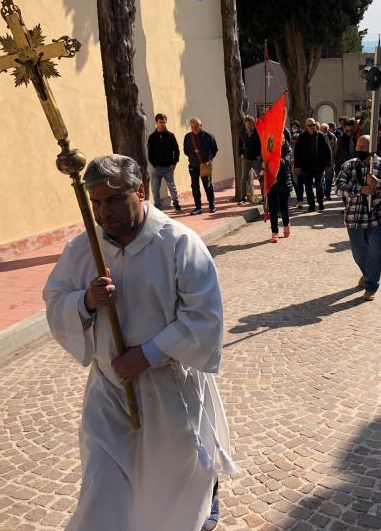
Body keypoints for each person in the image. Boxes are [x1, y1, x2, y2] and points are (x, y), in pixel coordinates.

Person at [44, 154, 234, 531]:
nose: (104, 212)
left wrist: (146, 355)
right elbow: (55, 300)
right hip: (109, 392)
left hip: (168, 391)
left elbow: (203, 318)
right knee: (103, 482)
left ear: (141, 191)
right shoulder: (84, 249)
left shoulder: (178, 243)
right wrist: (85, 301)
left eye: (113, 200)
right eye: (96, 203)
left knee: (170, 487)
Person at [336, 136, 381, 301]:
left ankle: (371, 286)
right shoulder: (349, 165)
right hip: (354, 217)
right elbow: (339, 188)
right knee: (358, 253)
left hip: (375, 218)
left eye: (364, 146)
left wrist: (378, 184)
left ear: (372, 147)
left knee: (375, 252)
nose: (360, 148)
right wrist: (360, 189)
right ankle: (367, 273)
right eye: (358, 145)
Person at [294, 118, 332, 212]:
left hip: (319, 166)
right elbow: (297, 152)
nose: (312, 127)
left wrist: (328, 164)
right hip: (306, 167)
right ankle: (311, 205)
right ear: (306, 126)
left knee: (319, 186)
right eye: (309, 125)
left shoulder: (321, 136)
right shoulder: (301, 137)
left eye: (313, 125)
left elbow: (328, 151)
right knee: (308, 187)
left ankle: (321, 203)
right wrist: (297, 166)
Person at [147, 113, 181, 213]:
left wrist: (174, 163)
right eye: (161, 122)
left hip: (168, 167)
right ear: (156, 123)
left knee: (172, 187)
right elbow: (150, 153)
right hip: (157, 168)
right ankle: (158, 207)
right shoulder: (152, 137)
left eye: (164, 122)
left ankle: (176, 204)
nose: (163, 124)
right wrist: (154, 164)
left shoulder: (170, 136)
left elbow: (176, 150)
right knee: (155, 188)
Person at [183, 117, 218, 215]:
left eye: (196, 126)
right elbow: (185, 151)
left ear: (201, 126)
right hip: (193, 166)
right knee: (194, 186)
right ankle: (198, 207)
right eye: (192, 126)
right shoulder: (187, 137)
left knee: (207, 185)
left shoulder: (208, 136)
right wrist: (193, 157)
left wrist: (208, 159)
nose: (194, 128)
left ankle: (212, 204)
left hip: (205, 165)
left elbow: (214, 149)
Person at [266, 140, 293, 243]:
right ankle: (274, 233)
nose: (279, 141)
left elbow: (285, 163)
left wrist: (273, 157)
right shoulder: (268, 148)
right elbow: (263, 161)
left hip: (283, 184)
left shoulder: (288, 150)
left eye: (281, 139)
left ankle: (286, 224)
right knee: (273, 210)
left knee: (283, 208)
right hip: (271, 183)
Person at [237, 115, 262, 205]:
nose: (248, 127)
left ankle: (264, 197)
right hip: (246, 159)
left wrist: (260, 155)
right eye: (246, 125)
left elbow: (262, 144)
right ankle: (242, 198)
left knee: (260, 177)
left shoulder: (258, 131)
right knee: (243, 178)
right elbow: (239, 143)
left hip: (256, 159)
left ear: (253, 124)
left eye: (249, 125)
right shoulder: (242, 132)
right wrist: (241, 154)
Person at [320, 122, 338, 200]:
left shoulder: (332, 137)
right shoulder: (318, 136)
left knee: (329, 178)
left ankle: (327, 193)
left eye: (326, 129)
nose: (324, 131)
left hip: (330, 161)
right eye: (323, 129)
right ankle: (323, 192)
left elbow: (335, 149)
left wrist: (334, 159)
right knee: (321, 179)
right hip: (320, 161)